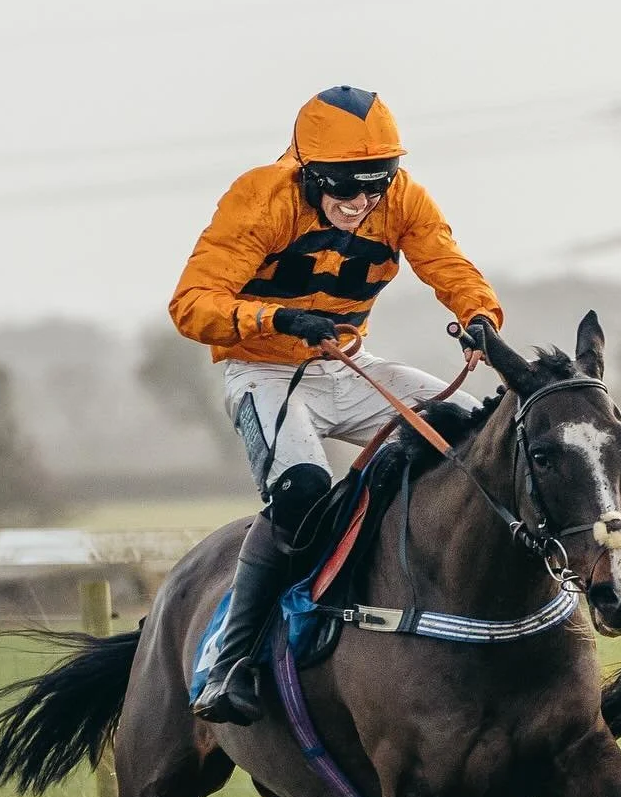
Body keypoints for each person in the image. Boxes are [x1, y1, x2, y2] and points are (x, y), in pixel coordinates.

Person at [171, 85, 504, 726]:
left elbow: (448, 263)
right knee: (300, 493)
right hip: (263, 371)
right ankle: (229, 660)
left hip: (344, 367)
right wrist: (278, 317)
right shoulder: (259, 198)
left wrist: (480, 317)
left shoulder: (402, 198)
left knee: (472, 437)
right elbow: (190, 306)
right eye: (344, 188)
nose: (360, 204)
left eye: (374, 186)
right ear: (309, 173)